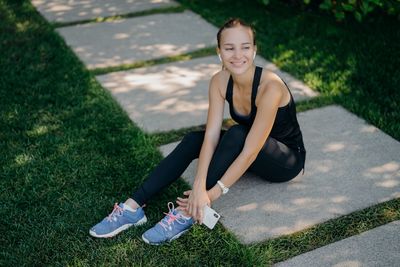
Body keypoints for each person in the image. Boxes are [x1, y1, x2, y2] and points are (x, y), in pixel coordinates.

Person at [89, 18, 306, 245]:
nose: (237, 55)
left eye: (245, 47)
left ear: (254, 50)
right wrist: (199, 184)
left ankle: (188, 213)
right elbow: (210, 136)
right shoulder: (220, 81)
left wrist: (207, 196)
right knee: (195, 139)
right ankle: (133, 207)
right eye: (229, 48)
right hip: (247, 147)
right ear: (219, 52)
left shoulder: (270, 87)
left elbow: (250, 151)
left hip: (286, 162)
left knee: (236, 133)